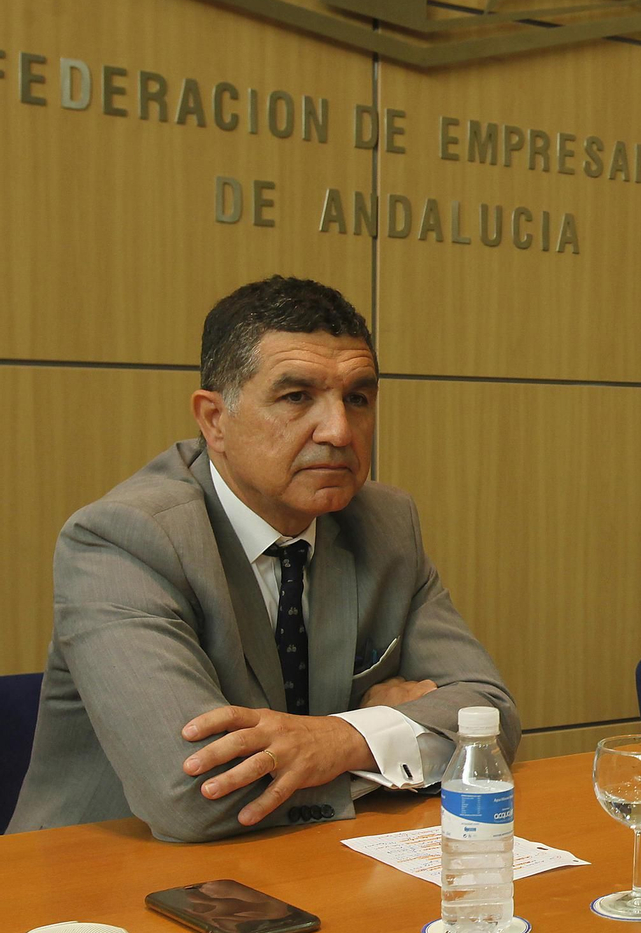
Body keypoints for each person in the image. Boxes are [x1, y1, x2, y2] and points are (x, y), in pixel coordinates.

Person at [8, 276, 519, 842]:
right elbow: (192, 798)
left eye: (358, 398)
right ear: (214, 421)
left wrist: (334, 742)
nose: (339, 430)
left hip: (309, 864)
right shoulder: (124, 539)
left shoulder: (386, 523)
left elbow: (492, 723)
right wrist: (375, 735)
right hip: (104, 894)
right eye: (296, 397)